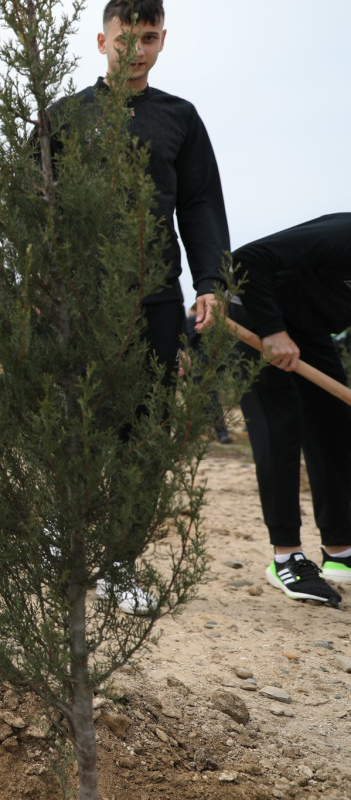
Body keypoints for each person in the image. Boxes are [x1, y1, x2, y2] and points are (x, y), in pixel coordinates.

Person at [61, 0, 229, 614]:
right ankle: (63, 537)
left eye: (150, 37)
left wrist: (210, 279)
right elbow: (30, 209)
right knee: (74, 425)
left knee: (144, 437)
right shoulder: (63, 118)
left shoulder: (179, 119)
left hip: (155, 299)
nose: (136, 49)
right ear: (101, 39)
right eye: (124, 37)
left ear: (164, 41)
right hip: (76, 304)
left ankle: (120, 563)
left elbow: (202, 206)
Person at [221, 214, 351, 608]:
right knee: (280, 428)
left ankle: (341, 552)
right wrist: (273, 332)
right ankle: (286, 557)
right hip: (252, 315)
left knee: (336, 426)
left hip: (308, 329)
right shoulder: (343, 234)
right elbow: (246, 259)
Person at [184, 301, 231, 444]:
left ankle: (215, 432)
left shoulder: (200, 322)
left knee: (206, 399)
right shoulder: (215, 322)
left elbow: (185, 343)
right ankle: (217, 432)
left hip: (204, 368)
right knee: (208, 399)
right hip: (206, 367)